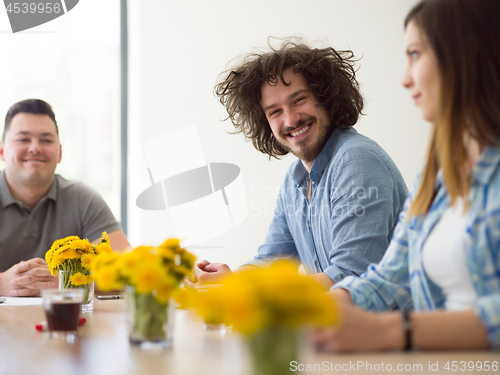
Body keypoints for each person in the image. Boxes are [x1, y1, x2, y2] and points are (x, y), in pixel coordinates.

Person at [312, 0, 500, 351]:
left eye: (415, 54)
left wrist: (392, 331)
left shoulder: (356, 157)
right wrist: (333, 305)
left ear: (465, 55)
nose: (405, 79)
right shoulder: (440, 176)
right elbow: (390, 276)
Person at [185, 39, 408, 290]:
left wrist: (247, 292)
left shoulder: (356, 160)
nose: (290, 119)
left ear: (326, 97)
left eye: (299, 99)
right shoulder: (296, 178)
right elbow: (272, 259)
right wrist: (232, 281)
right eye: (275, 112)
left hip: (391, 326)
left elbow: (350, 276)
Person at [0, 99, 130, 297]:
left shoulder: (83, 199)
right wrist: (3, 284)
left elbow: (127, 271)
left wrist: (65, 279)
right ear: (2, 151)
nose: (35, 148)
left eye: (46, 140)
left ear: (59, 153)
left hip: (70, 324)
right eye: (23, 139)